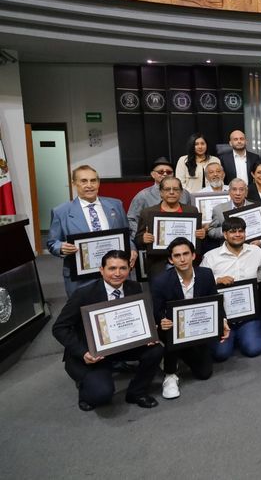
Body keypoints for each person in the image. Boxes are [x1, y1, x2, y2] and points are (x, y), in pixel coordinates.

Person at [52, 250, 163, 411]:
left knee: (156, 349)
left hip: (121, 344)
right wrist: (83, 353)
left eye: (123, 268)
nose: (117, 273)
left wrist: (149, 332)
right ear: (101, 270)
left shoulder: (134, 287)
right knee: (101, 395)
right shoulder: (83, 294)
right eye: (112, 268)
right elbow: (59, 328)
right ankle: (84, 387)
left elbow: (139, 317)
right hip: (91, 352)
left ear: (129, 269)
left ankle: (136, 392)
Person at [150, 238, 230, 399]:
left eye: (186, 254)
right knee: (169, 330)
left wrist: (223, 321)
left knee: (204, 373)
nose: (182, 259)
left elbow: (215, 301)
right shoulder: (160, 281)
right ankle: (170, 374)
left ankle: (181, 354)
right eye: (177, 256)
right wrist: (161, 321)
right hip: (173, 330)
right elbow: (157, 312)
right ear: (170, 260)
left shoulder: (206, 274)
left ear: (193, 255)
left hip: (197, 328)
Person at [47, 165, 136, 296]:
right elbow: (52, 243)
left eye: (93, 180)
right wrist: (61, 247)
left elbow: (126, 234)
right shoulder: (61, 211)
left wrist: (132, 248)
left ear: (98, 183)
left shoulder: (116, 205)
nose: (89, 185)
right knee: (84, 313)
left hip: (115, 273)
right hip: (82, 278)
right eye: (83, 181)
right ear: (74, 183)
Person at [200, 217, 261, 361]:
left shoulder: (256, 252)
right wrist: (217, 280)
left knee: (254, 349)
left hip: (248, 314)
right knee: (220, 354)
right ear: (225, 234)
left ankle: (248, 333)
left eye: (241, 231)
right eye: (233, 232)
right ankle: (234, 336)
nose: (238, 234)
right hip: (223, 316)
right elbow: (201, 283)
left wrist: (255, 280)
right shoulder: (211, 256)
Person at [136, 176, 204, 278]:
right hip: (158, 264)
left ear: (181, 192)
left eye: (176, 189)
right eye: (167, 189)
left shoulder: (191, 211)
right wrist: (143, 239)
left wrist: (201, 235)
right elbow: (137, 240)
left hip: (186, 263)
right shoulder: (148, 213)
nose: (172, 192)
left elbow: (197, 243)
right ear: (161, 193)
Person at [127, 157, 191, 237]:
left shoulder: (185, 194)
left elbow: (192, 217)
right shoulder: (143, 195)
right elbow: (132, 219)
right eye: (161, 172)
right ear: (152, 174)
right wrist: (141, 235)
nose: (165, 174)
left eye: (169, 172)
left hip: (181, 237)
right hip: (153, 241)